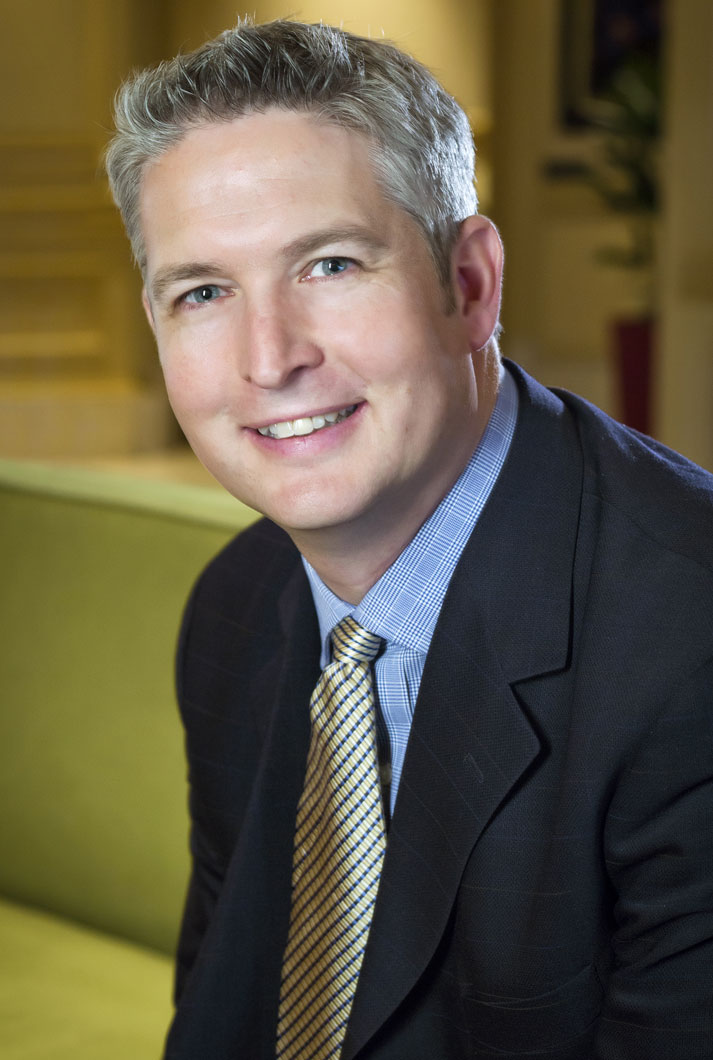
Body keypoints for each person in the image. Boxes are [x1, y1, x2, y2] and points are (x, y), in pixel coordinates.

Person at [105, 19, 713, 1060]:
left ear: (469, 284)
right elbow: (225, 1012)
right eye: (202, 291)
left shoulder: (688, 642)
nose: (268, 358)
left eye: (329, 264)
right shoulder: (235, 605)